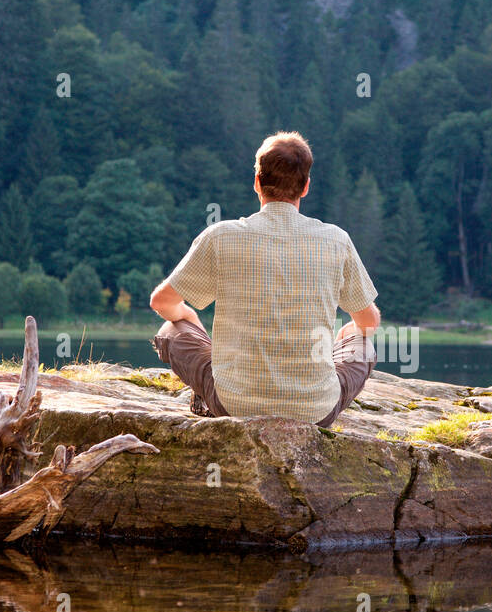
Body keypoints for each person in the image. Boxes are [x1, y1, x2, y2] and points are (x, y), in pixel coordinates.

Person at [150, 131, 382, 427]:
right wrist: (346, 335)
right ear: (306, 187)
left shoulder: (222, 235)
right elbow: (369, 323)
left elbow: (161, 302)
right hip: (316, 412)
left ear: (257, 182)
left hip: (232, 405)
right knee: (362, 342)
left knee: (171, 329)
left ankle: (206, 396)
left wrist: (186, 314)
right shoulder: (337, 240)